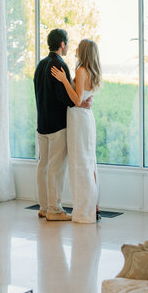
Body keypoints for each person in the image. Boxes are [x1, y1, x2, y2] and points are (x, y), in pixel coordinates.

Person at [33, 29, 91, 222]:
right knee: (56, 168)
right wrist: (79, 102)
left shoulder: (40, 65)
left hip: (41, 123)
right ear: (62, 45)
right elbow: (64, 97)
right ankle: (54, 209)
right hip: (57, 125)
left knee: (43, 165)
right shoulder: (60, 66)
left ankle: (43, 207)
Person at [51, 38, 101, 224]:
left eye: (79, 47)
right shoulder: (91, 71)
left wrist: (64, 81)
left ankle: (84, 211)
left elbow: (77, 100)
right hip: (86, 119)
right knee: (88, 164)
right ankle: (91, 207)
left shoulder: (81, 71)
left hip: (79, 120)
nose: (75, 49)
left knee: (80, 165)